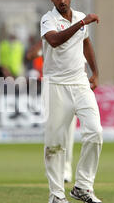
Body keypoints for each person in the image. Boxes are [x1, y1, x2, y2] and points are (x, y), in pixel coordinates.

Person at [41, 0, 103, 203]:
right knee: (55, 144)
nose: (62, 1)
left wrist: (95, 72)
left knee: (95, 132)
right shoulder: (48, 20)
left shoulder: (79, 18)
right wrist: (82, 22)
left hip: (79, 83)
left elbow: (86, 44)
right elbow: (55, 41)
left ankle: (83, 187)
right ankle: (57, 196)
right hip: (55, 86)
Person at [26, 39, 76, 183]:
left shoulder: (73, 43)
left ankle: (66, 169)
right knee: (52, 131)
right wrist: (44, 42)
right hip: (51, 91)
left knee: (68, 133)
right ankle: (53, 168)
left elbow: (82, 67)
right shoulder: (48, 43)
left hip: (71, 90)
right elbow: (30, 55)